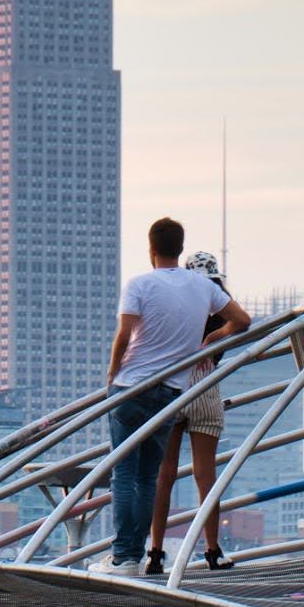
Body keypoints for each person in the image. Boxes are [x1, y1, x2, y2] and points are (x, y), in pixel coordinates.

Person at [89, 217, 251, 577]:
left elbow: (124, 334)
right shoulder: (201, 286)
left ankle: (127, 556)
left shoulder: (140, 284)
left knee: (125, 473)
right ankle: (141, 554)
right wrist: (212, 338)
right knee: (148, 476)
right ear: (180, 248)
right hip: (171, 393)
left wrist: (113, 371)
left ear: (151, 249)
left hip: (131, 388)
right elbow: (242, 320)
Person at [145, 250, 245, 576]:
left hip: (174, 388)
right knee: (206, 478)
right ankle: (212, 550)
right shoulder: (219, 302)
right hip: (206, 387)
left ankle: (156, 552)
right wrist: (216, 337)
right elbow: (243, 322)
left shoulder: (175, 303)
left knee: (164, 476)